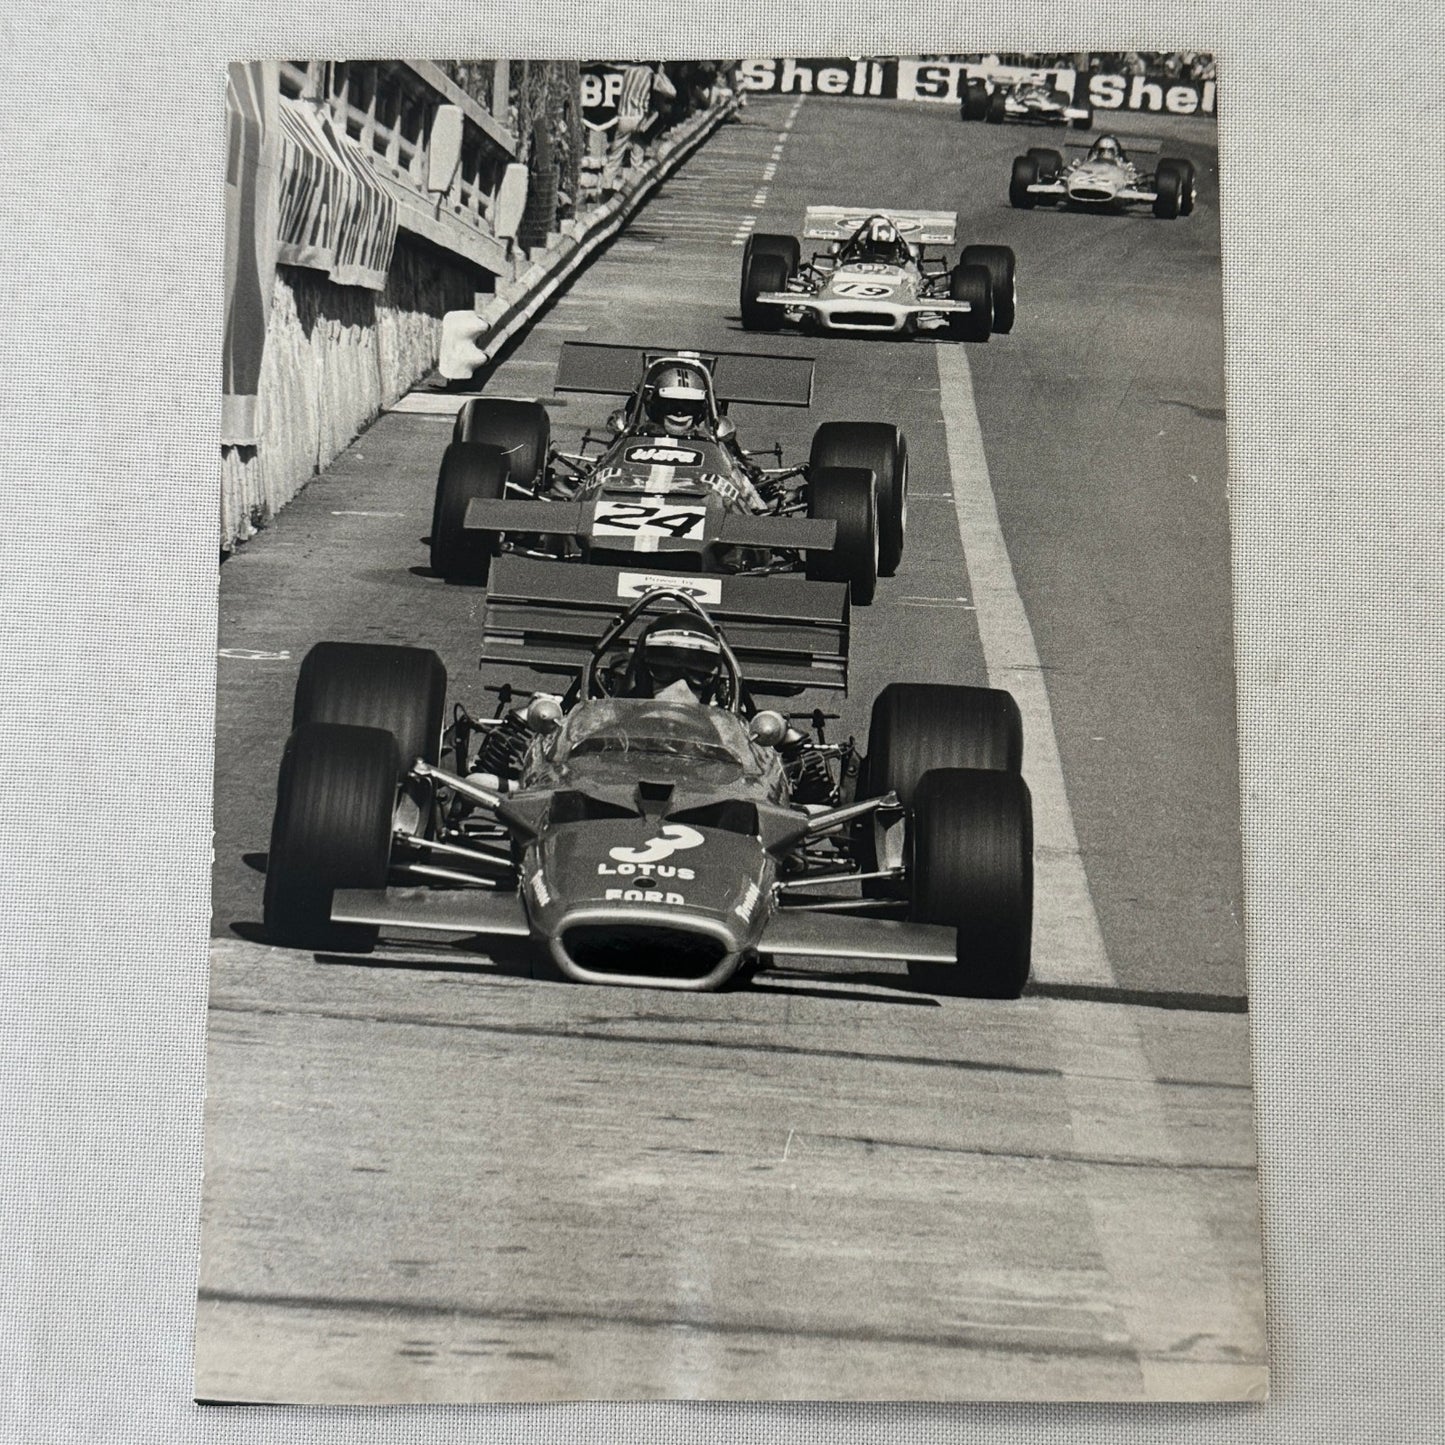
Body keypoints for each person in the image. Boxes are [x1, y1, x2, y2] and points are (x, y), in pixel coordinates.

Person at [622, 613, 727, 705]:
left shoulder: (720, 721)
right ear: (644, 676)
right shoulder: (622, 719)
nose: (681, 688)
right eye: (664, 670)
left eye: (698, 675)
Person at [639, 362, 713, 439]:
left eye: (688, 406)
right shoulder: (641, 438)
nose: (679, 413)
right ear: (655, 407)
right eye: (671, 405)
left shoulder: (706, 441)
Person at [841, 215, 913, 268]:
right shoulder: (853, 262)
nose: (882, 249)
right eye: (879, 246)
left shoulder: (905, 266)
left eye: (886, 247)